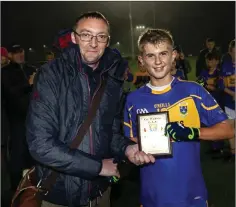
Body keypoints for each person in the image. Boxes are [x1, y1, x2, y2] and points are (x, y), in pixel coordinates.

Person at [26, 11, 149, 207]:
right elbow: (40, 145)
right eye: (86, 35)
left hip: (101, 192)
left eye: (100, 37)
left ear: (107, 41)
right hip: (61, 195)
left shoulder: (112, 79)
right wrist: (98, 167)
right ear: (74, 37)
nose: (93, 43)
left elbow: (111, 132)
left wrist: (127, 148)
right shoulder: (51, 75)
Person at [123, 28, 234, 207]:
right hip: (152, 197)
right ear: (141, 60)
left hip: (191, 195)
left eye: (163, 53)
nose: (158, 61)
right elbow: (131, 140)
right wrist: (134, 152)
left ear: (174, 55)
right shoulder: (133, 99)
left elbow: (228, 129)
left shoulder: (193, 91)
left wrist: (192, 132)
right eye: (151, 56)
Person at [1, 43, 37, 191]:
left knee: (31, 155)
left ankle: (30, 188)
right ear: (10, 55)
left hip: (31, 119)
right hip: (15, 121)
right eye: (16, 53)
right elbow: (10, 93)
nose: (20, 55)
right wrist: (29, 85)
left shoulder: (29, 69)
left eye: (21, 51)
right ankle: (16, 191)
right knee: (17, 156)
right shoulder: (6, 72)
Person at [218, 39, 235, 162]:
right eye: (234, 52)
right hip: (230, 101)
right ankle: (234, 152)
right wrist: (233, 93)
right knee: (231, 127)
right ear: (230, 52)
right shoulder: (226, 66)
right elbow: (221, 85)